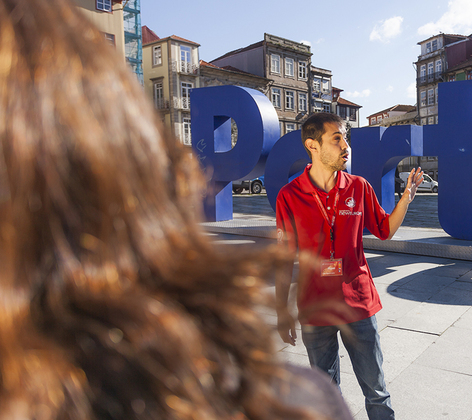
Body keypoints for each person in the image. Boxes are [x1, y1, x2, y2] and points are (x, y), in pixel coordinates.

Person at [0, 0, 352, 419]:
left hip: (352, 299)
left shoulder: (355, 189)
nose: (343, 147)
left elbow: (367, 236)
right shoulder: (290, 401)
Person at [274, 112, 424, 420]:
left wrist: (406, 199)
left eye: (347, 139)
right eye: (337, 139)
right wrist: (281, 310)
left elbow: (384, 229)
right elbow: (283, 258)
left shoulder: (359, 187)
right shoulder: (289, 196)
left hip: (358, 304)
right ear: (312, 145)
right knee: (327, 398)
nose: (346, 147)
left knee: (377, 392)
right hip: (315, 307)